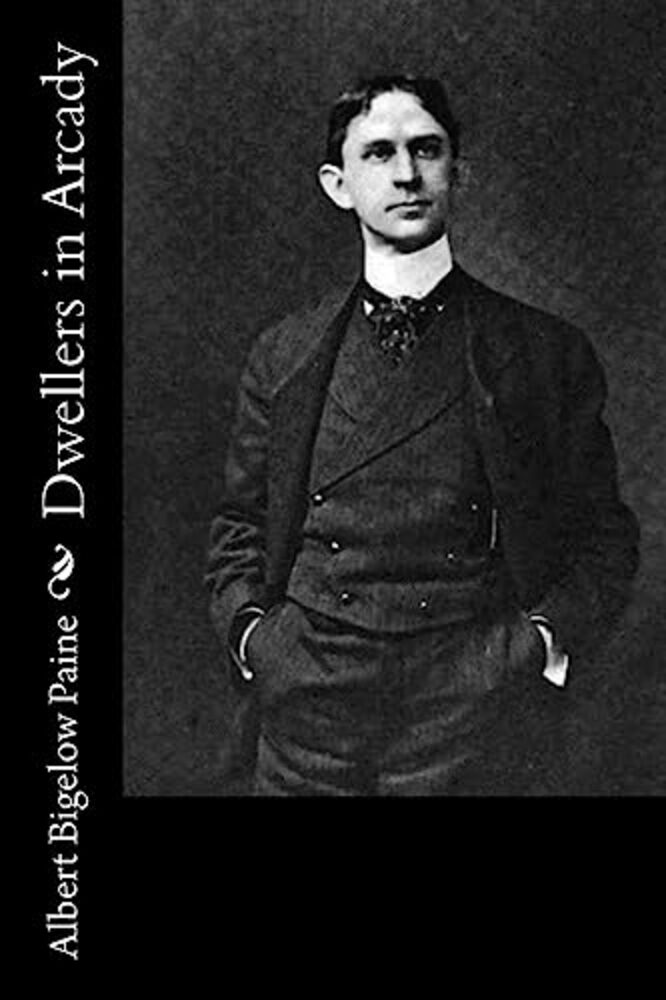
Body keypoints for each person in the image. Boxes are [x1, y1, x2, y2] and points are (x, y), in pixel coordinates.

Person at [204, 74, 639, 796]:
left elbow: (604, 536)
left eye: (426, 150)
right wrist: (257, 641)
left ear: (456, 173)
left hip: (472, 712)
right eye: (379, 153)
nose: (406, 174)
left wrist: (534, 646)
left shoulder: (545, 353)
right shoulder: (284, 354)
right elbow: (239, 526)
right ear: (338, 185)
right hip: (308, 708)